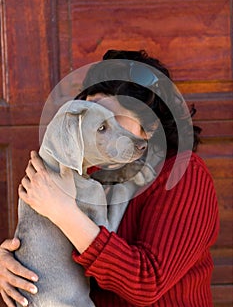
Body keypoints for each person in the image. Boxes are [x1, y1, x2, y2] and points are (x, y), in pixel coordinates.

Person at [0, 50, 219, 307]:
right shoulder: (84, 171)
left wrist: (64, 213)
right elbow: (50, 249)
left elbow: (147, 284)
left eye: (113, 119)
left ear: (149, 129)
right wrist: (13, 262)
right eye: (95, 117)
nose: (98, 129)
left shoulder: (184, 175)